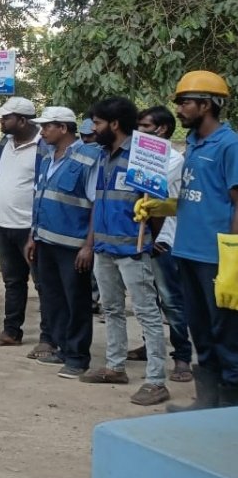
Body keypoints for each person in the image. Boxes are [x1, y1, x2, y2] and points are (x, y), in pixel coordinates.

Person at [137, 71, 238, 410]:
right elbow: (195, 196)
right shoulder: (193, 144)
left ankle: (228, 414)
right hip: (188, 252)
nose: (177, 109)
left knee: (227, 336)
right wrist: (160, 205)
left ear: (206, 105)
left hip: (216, 257)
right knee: (201, 334)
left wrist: (234, 257)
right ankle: (206, 405)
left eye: (184, 102)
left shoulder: (229, 145)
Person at [78, 97, 170, 406]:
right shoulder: (103, 156)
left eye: (99, 123)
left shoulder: (142, 155)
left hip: (132, 248)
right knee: (112, 309)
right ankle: (114, 366)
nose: (94, 128)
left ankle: (156, 380)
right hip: (105, 248)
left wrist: (152, 239)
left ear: (114, 124)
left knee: (147, 313)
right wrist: (91, 243)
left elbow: (156, 205)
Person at [27, 106, 97, 378]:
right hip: (46, 241)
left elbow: (95, 206)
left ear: (64, 128)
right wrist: (33, 235)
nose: (42, 131)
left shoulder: (87, 159)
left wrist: (88, 245)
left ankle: (78, 357)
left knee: (76, 301)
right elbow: (40, 199)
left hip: (73, 246)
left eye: (47, 126)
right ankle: (63, 348)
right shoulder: (47, 159)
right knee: (54, 299)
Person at [0, 97, 54, 353]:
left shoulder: (44, 147)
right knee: (12, 282)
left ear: (22, 120)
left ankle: (48, 338)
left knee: (43, 284)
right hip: (5, 223)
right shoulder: (4, 143)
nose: (1, 121)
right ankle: (12, 331)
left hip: (31, 228)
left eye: (6, 118)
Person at [127, 106, 192, 383]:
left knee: (171, 301)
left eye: (144, 126)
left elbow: (161, 197)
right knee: (147, 299)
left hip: (165, 239)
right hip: (145, 235)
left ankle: (182, 357)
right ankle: (150, 345)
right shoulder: (140, 157)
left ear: (162, 129)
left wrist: (158, 239)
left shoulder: (174, 161)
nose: (139, 131)